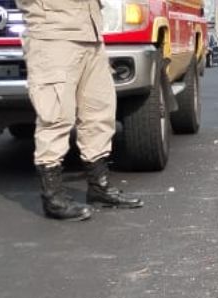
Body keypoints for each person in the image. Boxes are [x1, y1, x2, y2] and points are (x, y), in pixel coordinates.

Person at [18, 0, 142, 221]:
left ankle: (99, 187)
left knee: (99, 113)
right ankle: (53, 197)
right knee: (55, 116)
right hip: (53, 35)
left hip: (91, 34)